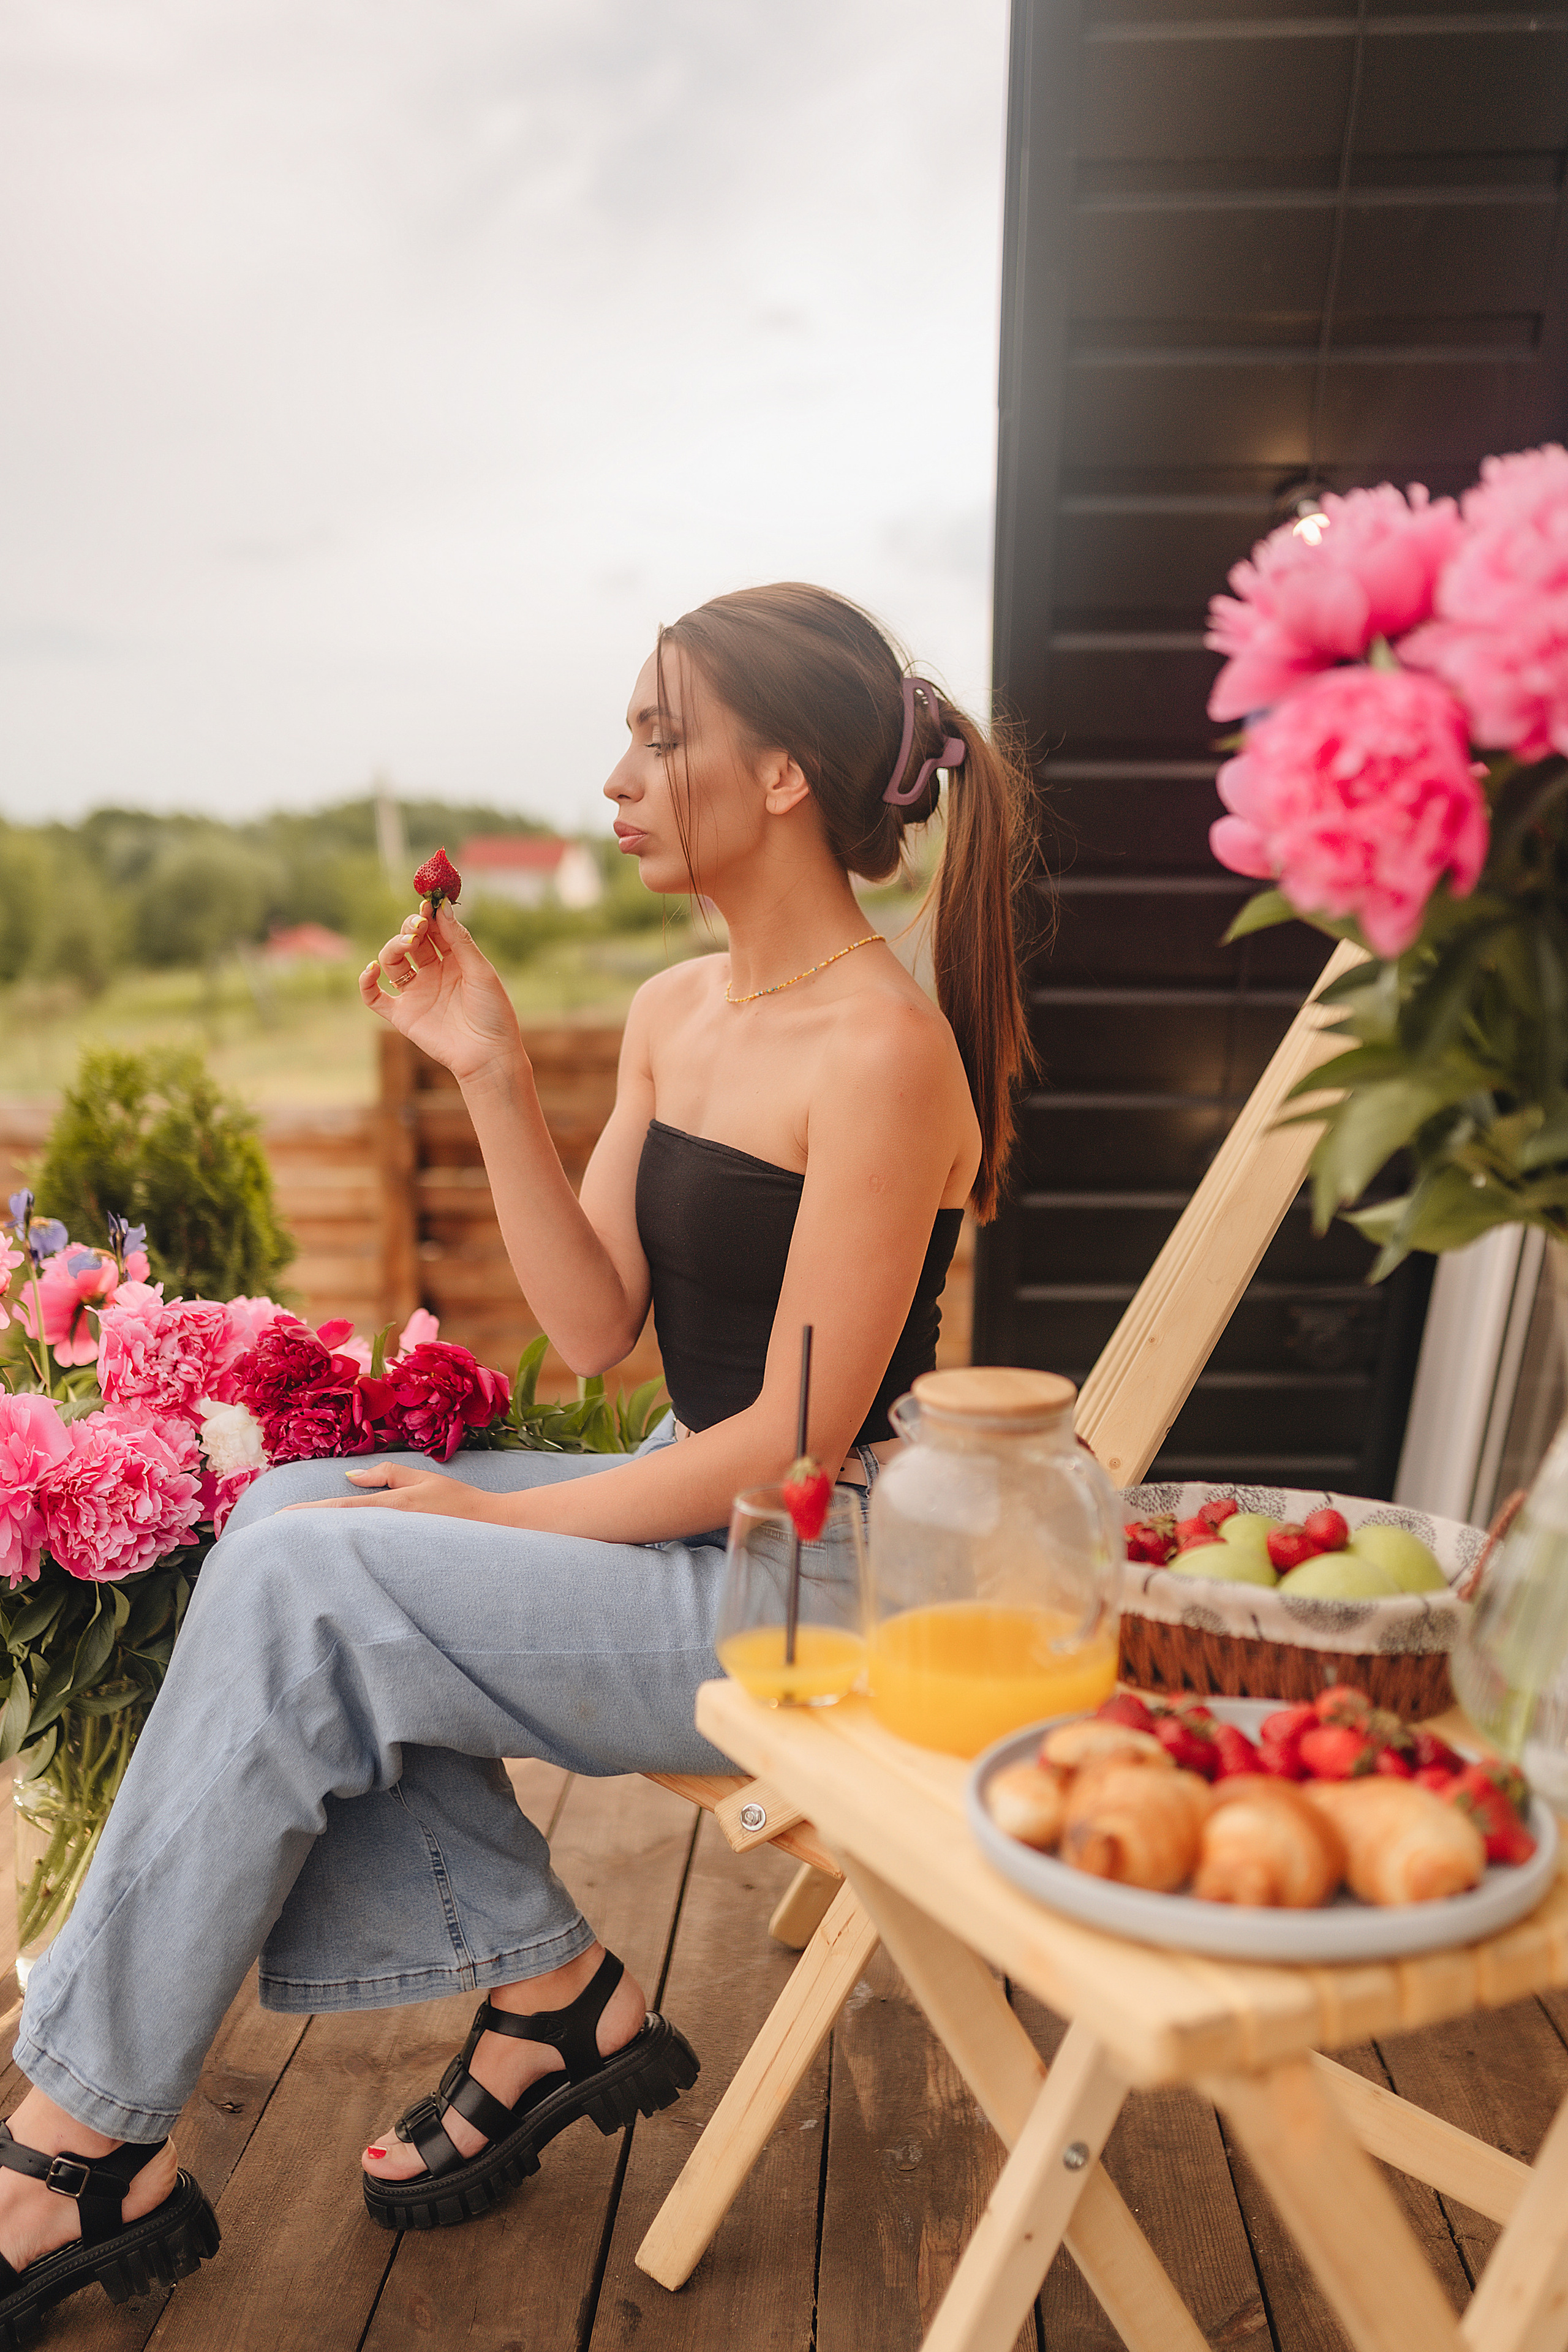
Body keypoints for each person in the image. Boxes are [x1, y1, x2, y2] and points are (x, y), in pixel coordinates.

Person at [0, 582, 1036, 2331]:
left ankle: (81, 2136)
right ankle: (548, 1993)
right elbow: (590, 1329)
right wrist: (488, 1068)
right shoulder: (673, 1010)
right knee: (281, 1517)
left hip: (811, 1572)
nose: (620, 777)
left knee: (326, 1573)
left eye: (659, 732)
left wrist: (512, 1525)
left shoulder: (886, 1052)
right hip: (685, 1501)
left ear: (782, 776)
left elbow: (789, 1439)